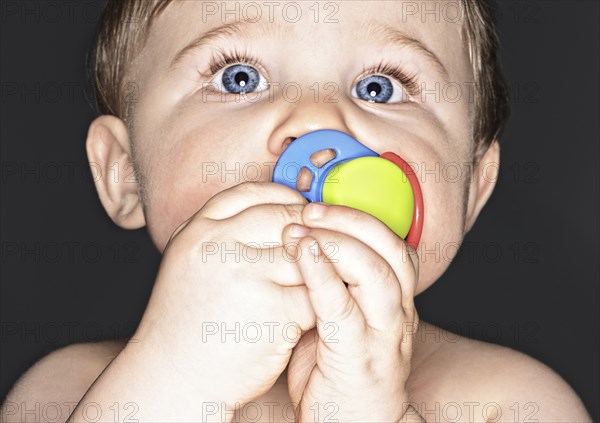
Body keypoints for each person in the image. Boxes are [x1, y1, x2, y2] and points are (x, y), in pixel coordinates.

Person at [2, 1, 592, 422]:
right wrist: (176, 380)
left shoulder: (511, 403)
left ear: (470, 190)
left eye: (380, 88)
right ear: (126, 173)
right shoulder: (67, 391)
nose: (317, 123)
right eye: (239, 78)